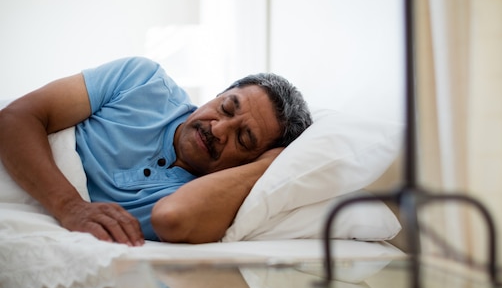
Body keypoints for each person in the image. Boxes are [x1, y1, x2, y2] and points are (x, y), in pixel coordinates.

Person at [0, 57, 312, 246]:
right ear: (217, 94)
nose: (217, 129)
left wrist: (268, 166)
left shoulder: (213, 197)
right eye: (226, 108)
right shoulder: (142, 79)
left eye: (243, 139)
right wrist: (69, 206)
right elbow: (17, 118)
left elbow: (172, 218)